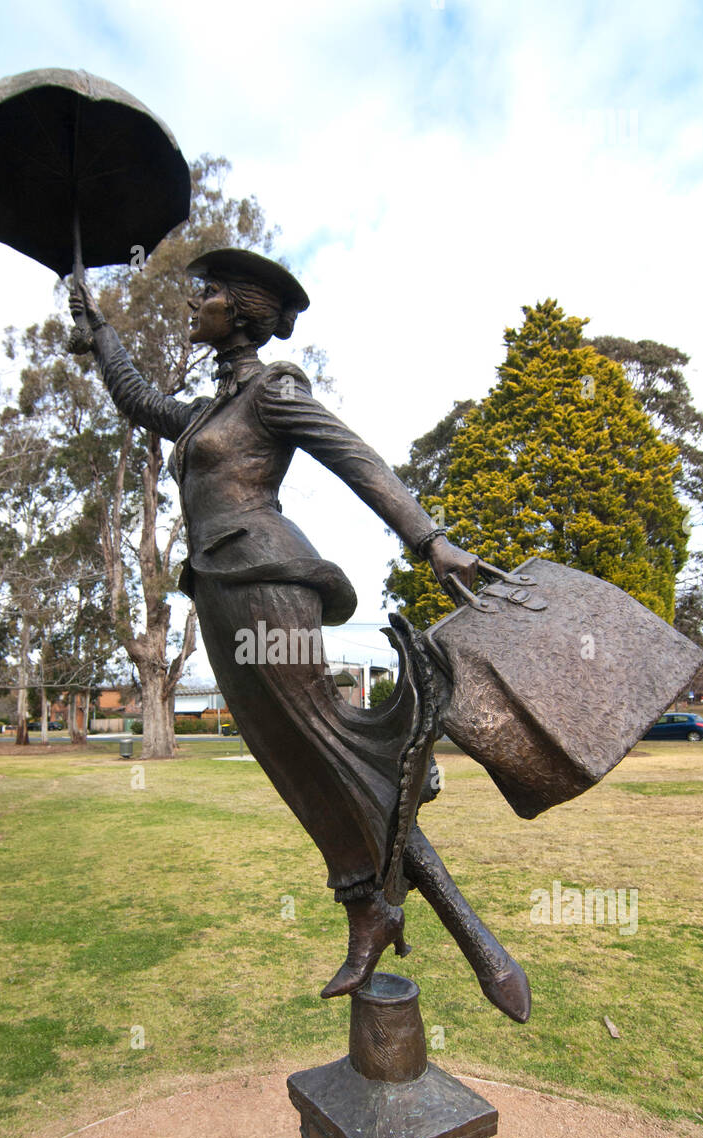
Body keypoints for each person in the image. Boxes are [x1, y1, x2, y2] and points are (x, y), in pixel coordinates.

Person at [69, 248, 529, 1020]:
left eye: (208, 293)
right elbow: (142, 403)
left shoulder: (273, 392)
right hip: (218, 590)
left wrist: (431, 540)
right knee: (299, 762)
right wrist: (100, 333)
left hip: (269, 584)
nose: (196, 303)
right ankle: (377, 911)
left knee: (331, 750)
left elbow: (357, 460)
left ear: (242, 311)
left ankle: (460, 939)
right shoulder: (210, 412)